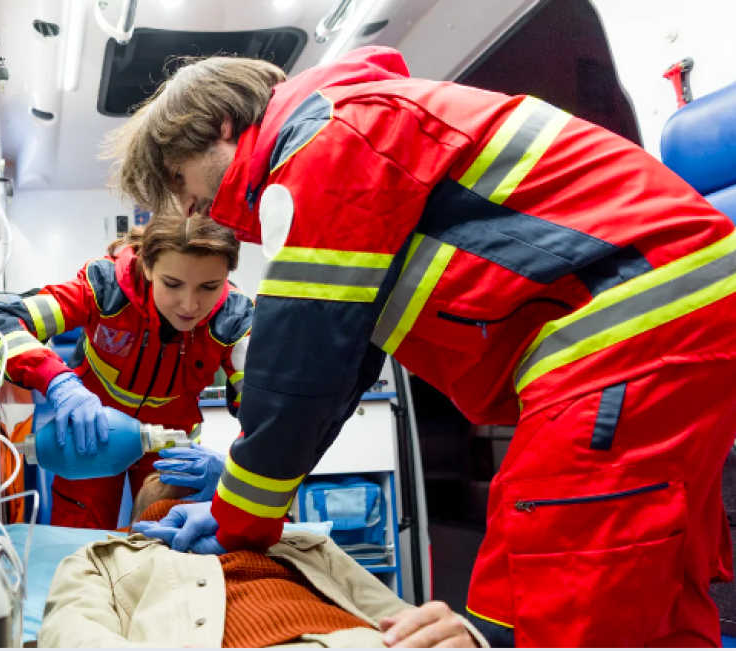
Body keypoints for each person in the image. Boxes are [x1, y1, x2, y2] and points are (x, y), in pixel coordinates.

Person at [103, 46, 736, 647]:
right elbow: (342, 365)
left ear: (219, 126)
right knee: (641, 585)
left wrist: (241, 515)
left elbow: (301, 361)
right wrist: (243, 504)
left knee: (555, 563)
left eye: (181, 182)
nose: (189, 208)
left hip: (631, 323)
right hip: (660, 314)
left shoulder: (327, 140)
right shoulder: (355, 126)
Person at [0, 214, 252, 529]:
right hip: (93, 436)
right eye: (172, 284)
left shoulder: (234, 321)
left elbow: (268, 408)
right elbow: (0, 325)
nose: (189, 305)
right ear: (148, 268)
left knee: (168, 546)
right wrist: (58, 382)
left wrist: (237, 467)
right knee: (78, 545)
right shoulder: (105, 289)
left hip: (171, 449)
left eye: (209, 286)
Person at [39, 472, 486, 648]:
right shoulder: (105, 557)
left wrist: (465, 638)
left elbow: (405, 621)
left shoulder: (299, 544)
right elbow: (72, 636)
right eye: (161, 479)